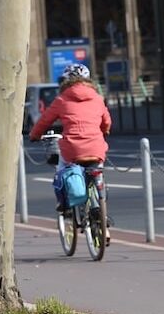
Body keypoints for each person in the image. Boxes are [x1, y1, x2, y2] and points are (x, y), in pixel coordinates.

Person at [29, 64, 112, 232]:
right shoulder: (97, 98)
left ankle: (64, 205)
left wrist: (34, 135)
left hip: (72, 149)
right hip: (96, 147)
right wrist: (105, 131)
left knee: (61, 170)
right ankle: (101, 211)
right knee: (97, 172)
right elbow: (107, 121)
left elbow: (44, 121)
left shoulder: (62, 100)